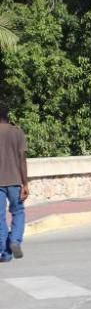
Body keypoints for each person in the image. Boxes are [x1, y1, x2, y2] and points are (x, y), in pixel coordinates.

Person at [0, 107, 28, 262]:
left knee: (0, 217)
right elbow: (22, 160)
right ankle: (15, 241)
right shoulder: (18, 133)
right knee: (18, 212)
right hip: (15, 181)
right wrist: (25, 183)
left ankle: (5, 252)